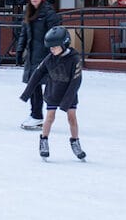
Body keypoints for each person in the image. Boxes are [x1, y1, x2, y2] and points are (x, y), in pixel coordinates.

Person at [20, 25, 86, 160]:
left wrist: (66, 102)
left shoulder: (74, 59)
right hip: (53, 92)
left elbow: (76, 81)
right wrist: (26, 94)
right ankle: (44, 140)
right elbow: (37, 75)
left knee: (72, 118)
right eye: (50, 47)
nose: (52, 50)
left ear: (64, 44)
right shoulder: (49, 59)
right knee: (50, 117)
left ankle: (75, 141)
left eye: (55, 47)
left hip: (69, 94)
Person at [17, 0, 61, 131]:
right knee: (33, 85)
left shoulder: (48, 12)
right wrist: (19, 50)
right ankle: (35, 114)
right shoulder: (29, 11)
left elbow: (55, 34)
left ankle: (40, 115)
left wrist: (55, 53)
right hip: (32, 55)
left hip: (45, 55)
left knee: (44, 87)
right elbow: (24, 33)